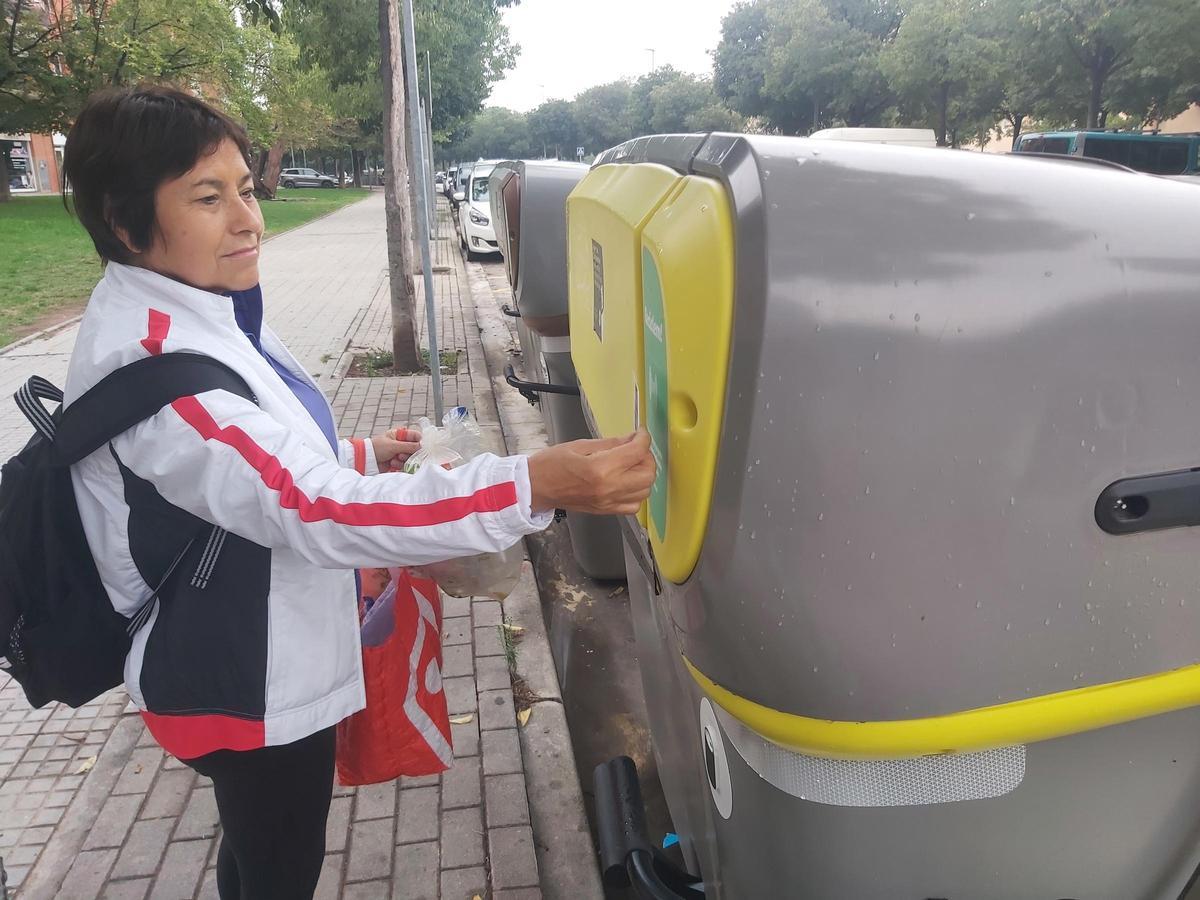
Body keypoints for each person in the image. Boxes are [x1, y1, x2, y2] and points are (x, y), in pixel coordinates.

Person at [60, 85, 655, 900]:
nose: (248, 219)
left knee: (260, 848)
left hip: (237, 641)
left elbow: (249, 460)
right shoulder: (159, 361)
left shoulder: (198, 304)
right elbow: (312, 506)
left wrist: (362, 451)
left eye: (245, 188)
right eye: (207, 198)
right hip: (242, 680)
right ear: (126, 224)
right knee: (279, 864)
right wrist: (533, 481)